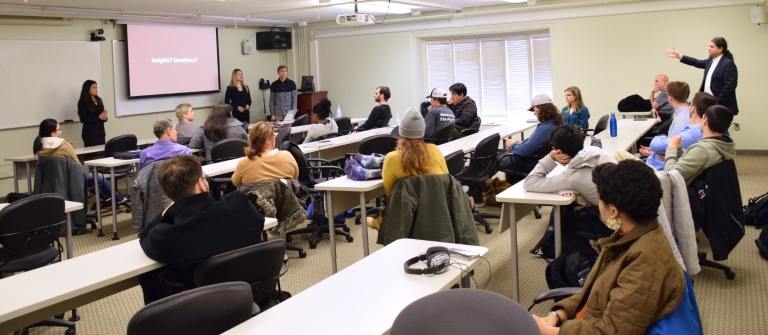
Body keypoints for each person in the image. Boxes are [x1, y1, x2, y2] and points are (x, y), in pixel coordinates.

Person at [532, 160, 685, 335]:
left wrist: (552, 332)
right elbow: (595, 291)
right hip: (583, 323)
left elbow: (613, 331)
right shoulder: (627, 236)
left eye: (599, 199)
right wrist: (558, 314)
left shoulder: (644, 262)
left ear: (613, 211)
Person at [138, 155, 264, 304]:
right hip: (259, 294)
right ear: (200, 185)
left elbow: (144, 235)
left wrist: (167, 211)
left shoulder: (166, 236)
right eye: (206, 179)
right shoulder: (239, 204)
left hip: (208, 309)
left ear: (168, 194)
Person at [371, 108, 449, 230]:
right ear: (423, 132)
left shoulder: (392, 158)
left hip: (406, 216)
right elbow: (446, 180)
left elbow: (390, 192)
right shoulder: (435, 150)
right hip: (438, 211)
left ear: (400, 132)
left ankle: (381, 222)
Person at [33, 119, 126, 216]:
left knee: (92, 181)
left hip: (54, 183)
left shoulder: (40, 146)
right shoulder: (64, 145)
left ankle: (108, 198)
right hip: (71, 180)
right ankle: (119, 198)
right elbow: (77, 164)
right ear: (52, 133)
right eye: (59, 128)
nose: (61, 130)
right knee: (100, 179)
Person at [523, 125, 614, 207]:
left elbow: (529, 183)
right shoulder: (595, 151)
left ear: (559, 152)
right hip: (624, 207)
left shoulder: (571, 178)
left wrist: (550, 157)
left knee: (565, 219)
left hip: (610, 220)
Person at [665, 37, 739, 115]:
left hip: (721, 105)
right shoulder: (711, 60)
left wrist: (717, 101)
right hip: (709, 103)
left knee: (718, 127)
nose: (708, 48)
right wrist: (680, 56)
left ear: (720, 48)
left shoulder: (728, 63)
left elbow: (730, 86)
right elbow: (696, 62)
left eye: (712, 47)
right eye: (709, 46)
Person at [644, 92, 718, 171]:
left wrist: (663, 139)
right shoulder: (708, 131)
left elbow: (654, 145)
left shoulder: (690, 134)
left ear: (692, 109)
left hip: (658, 171)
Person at [664, 105, 735, 185]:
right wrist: (679, 150)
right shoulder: (724, 145)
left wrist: (671, 148)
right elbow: (697, 161)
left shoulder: (702, 150)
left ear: (705, 120)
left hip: (686, 195)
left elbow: (670, 176)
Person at [500, 94, 564, 176]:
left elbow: (523, 151)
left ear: (540, 109)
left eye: (534, 110)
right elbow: (539, 142)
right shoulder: (556, 124)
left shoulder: (544, 129)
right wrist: (523, 142)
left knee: (494, 159)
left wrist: (512, 145)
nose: (534, 114)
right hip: (540, 160)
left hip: (530, 163)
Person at [231, 122, 299, 187]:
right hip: (287, 198)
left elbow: (235, 183)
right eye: (273, 136)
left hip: (255, 199)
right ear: (268, 140)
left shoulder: (243, 163)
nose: (275, 138)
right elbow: (295, 178)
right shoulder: (287, 156)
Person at [639, 81, 690, 165]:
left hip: (666, 164)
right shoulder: (686, 112)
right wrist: (654, 150)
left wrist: (650, 153)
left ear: (669, 98)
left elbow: (674, 148)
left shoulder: (681, 120)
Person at [77, 80, 108, 147]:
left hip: (100, 133)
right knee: (93, 155)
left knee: (102, 153)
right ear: (87, 89)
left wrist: (105, 118)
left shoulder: (99, 100)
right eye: (93, 88)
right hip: (90, 134)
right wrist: (98, 117)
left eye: (96, 87)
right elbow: (83, 119)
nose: (96, 89)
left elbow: (101, 115)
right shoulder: (83, 101)